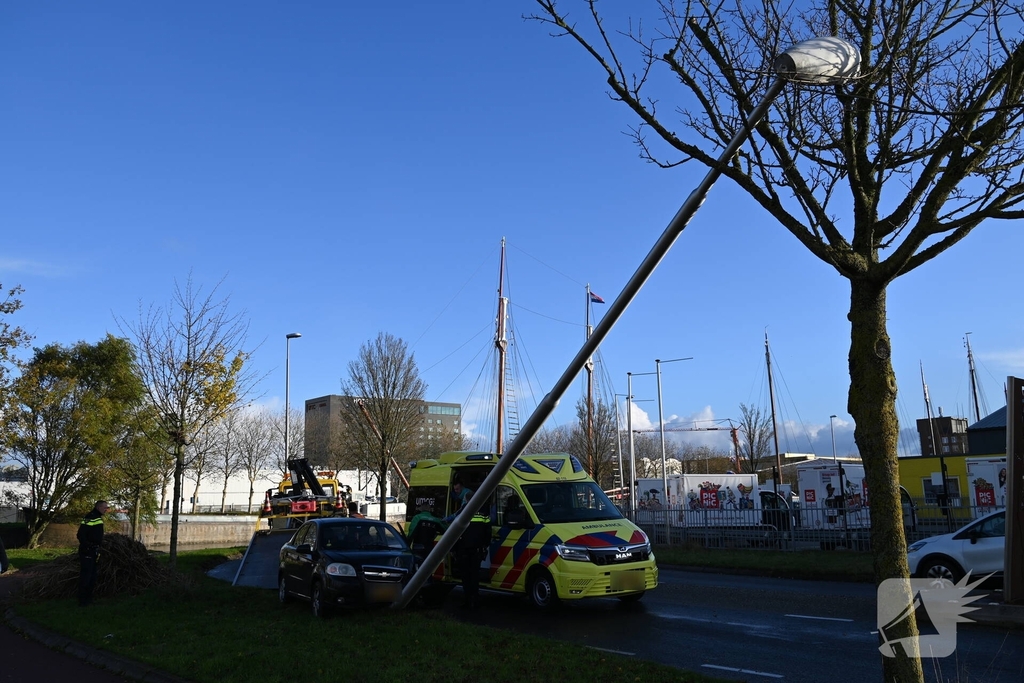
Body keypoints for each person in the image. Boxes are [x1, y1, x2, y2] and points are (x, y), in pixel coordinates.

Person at [455, 508, 491, 610]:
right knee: (474, 576)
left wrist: (455, 549)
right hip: (477, 550)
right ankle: (475, 601)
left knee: (466, 577)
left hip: (463, 551)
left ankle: (467, 601)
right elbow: (488, 532)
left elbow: (455, 531)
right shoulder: (484, 515)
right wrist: (484, 545)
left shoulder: (462, 513)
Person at [77, 499, 109, 606]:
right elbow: (81, 534)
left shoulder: (97, 517)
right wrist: (88, 546)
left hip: (94, 550)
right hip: (88, 551)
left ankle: (89, 599)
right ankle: (83, 601)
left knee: (92, 575)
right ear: (98, 507)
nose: (106, 509)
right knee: (86, 575)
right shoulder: (90, 517)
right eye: (105, 507)